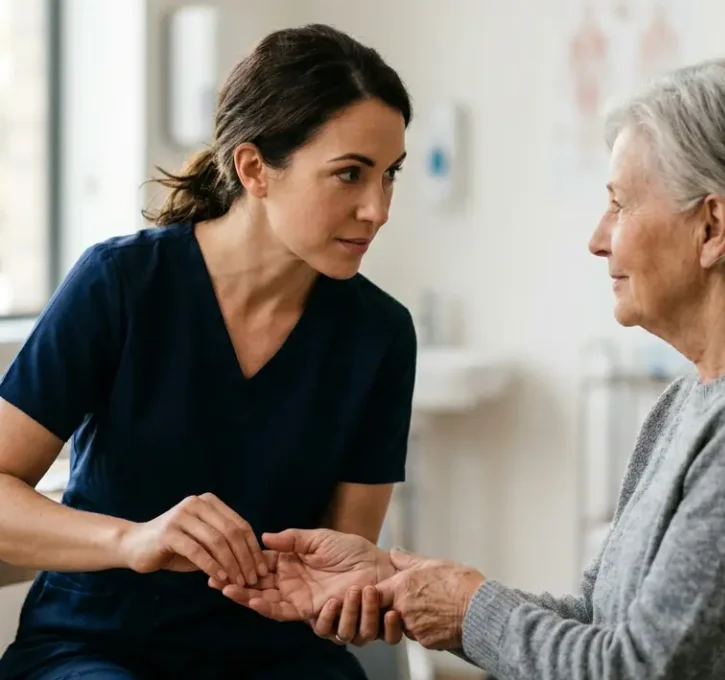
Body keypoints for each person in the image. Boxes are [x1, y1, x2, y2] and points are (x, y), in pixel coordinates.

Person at [220, 57, 725, 678]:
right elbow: (603, 624)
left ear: (713, 228)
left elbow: (640, 671)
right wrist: (402, 581)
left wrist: (470, 608)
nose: (599, 240)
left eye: (619, 205)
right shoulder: (698, 398)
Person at [0, 24, 416, 680]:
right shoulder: (120, 286)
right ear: (254, 169)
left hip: (277, 656)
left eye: (389, 176)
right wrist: (132, 540)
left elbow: (346, 553)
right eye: (349, 175)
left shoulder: (381, 335)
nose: (378, 208)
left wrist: (358, 593)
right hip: (98, 649)